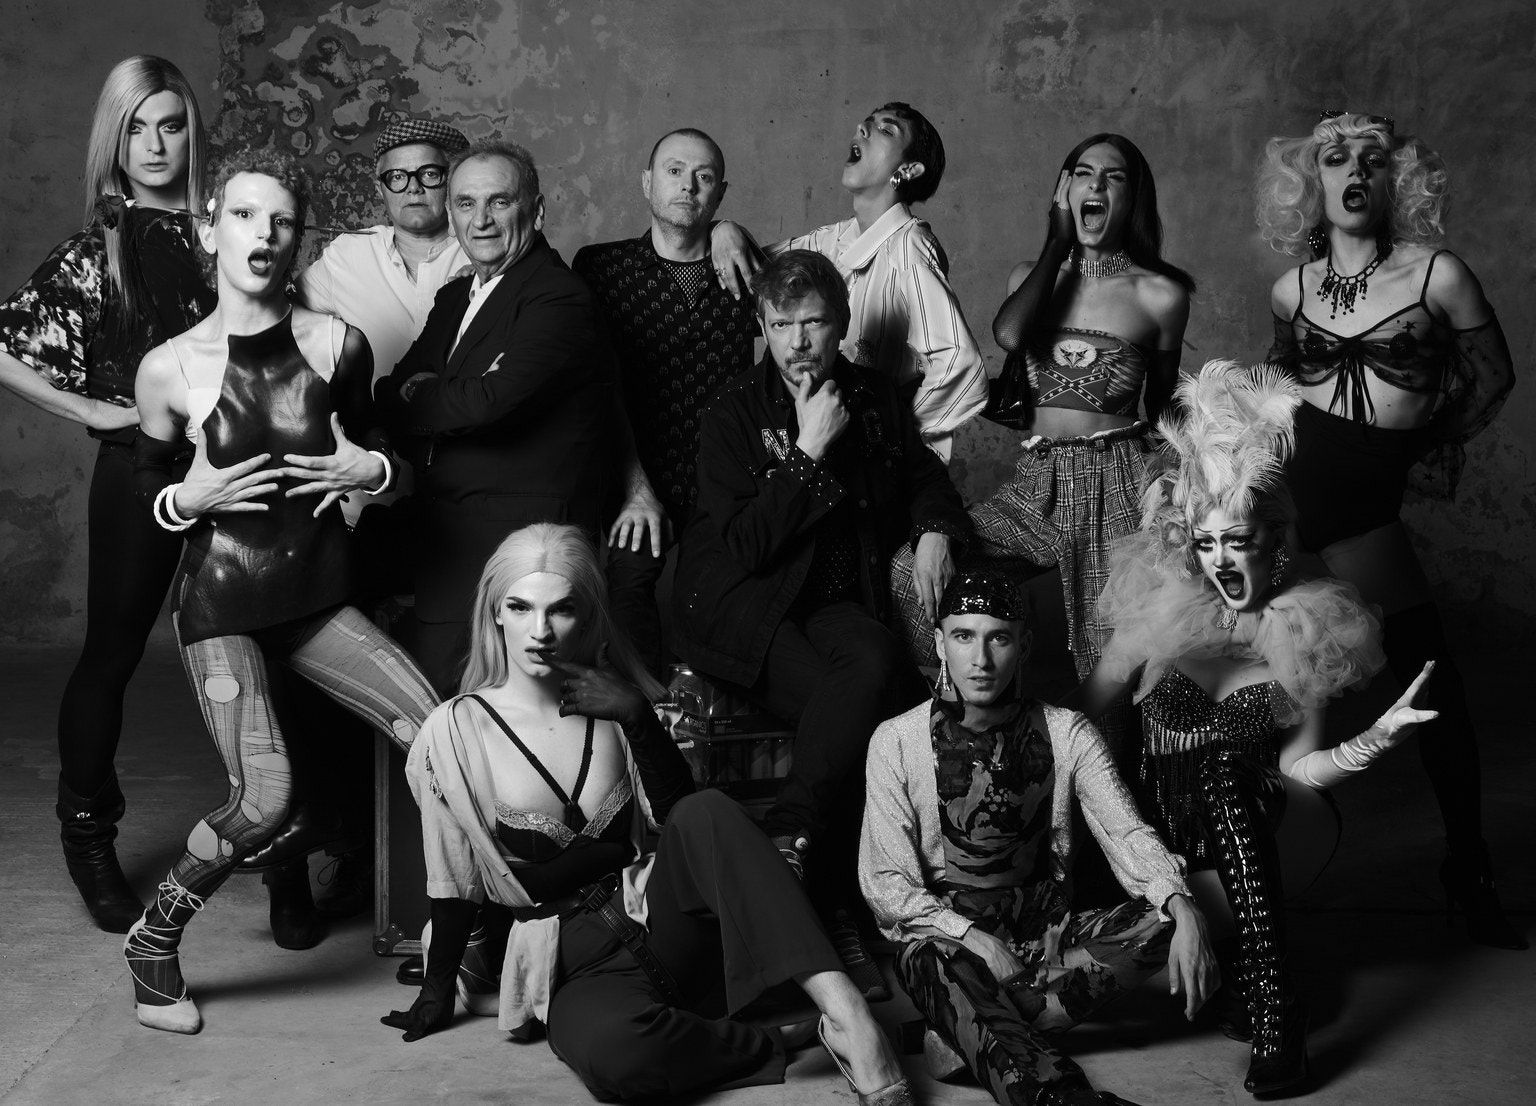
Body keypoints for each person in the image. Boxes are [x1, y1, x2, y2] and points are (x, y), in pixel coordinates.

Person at [385, 522, 914, 1106]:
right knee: (620, 1058)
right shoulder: (454, 732)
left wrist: (638, 717)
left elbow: (682, 822)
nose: (540, 631)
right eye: (520, 607)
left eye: (561, 610)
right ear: (495, 614)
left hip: (665, 926)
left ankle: (850, 1018)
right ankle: (775, 1040)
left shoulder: (618, 705)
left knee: (708, 809)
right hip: (576, 967)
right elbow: (454, 880)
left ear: (587, 617)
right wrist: (437, 990)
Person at [124, 150, 438, 1034]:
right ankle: (154, 940)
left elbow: (386, 459)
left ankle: (466, 926)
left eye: (282, 221)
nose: (263, 235)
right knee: (263, 799)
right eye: (244, 216)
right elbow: (147, 487)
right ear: (210, 230)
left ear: (298, 238)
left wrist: (374, 469)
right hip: (221, 607)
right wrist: (184, 498)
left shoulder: (339, 344)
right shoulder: (169, 367)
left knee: (440, 737)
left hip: (316, 599)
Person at [1077, 360, 1439, 1094]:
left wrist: (1374, 743)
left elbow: (1301, 769)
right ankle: (1241, 965)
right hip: (1162, 844)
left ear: (1274, 540)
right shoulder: (1156, 615)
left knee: (1223, 768)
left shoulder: (1301, 626)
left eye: (1238, 540)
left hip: (1272, 831)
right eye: (1206, 544)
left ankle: (1277, 1006)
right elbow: (1076, 728)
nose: (1221, 560)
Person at [671, 249, 970, 996]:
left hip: (838, 601)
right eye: (781, 325)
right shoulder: (733, 412)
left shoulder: (873, 396)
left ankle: (792, 835)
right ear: (763, 327)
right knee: (864, 723)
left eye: (813, 323)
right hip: (751, 606)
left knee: (878, 669)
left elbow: (924, 477)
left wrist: (934, 527)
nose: (798, 341)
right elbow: (746, 546)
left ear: (840, 324)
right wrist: (807, 448)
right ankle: (837, 911)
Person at [1257, 111, 1522, 949]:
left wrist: (1412, 445)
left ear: (1396, 179)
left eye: (1372, 159)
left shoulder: (1438, 274)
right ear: (1314, 181)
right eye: (1336, 158)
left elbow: (1493, 378)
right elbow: (1277, 393)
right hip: (1286, 496)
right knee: (1232, 670)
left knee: (1432, 683)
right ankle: (1207, 869)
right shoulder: (1292, 290)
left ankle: (1468, 867)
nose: (1355, 171)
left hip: (1360, 506)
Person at [861, 570, 1217, 1106]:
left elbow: (1126, 831)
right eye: (963, 636)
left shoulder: (1069, 732)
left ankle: (966, 1031)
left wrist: (1183, 906)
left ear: (1023, 645)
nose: (981, 659)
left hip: (1048, 942)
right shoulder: (894, 741)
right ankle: (1061, 1097)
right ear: (938, 642)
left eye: (998, 638)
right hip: (953, 948)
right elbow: (887, 884)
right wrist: (976, 940)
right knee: (927, 958)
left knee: (1168, 914)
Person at [0, 56, 215, 933]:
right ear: (114, 140)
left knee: (268, 649)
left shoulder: (226, 229)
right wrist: (91, 406)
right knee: (113, 654)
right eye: (137, 127)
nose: (155, 144)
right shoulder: (102, 246)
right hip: (141, 469)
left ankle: (285, 852)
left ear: (192, 132)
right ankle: (88, 836)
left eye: (171, 124)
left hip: (238, 466)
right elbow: (6, 344)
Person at [891, 134, 1193, 686]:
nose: (1096, 184)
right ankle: (956, 715)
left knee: (1112, 654)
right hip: (1037, 480)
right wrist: (1058, 241)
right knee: (911, 570)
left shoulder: (1161, 295)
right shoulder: (1030, 278)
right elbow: (1009, 336)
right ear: (1064, 191)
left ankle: (1114, 745)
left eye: (1114, 177)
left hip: (1118, 481)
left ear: (1133, 198)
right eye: (1083, 173)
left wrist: (1175, 488)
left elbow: (1165, 410)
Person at [375, 140, 615, 696]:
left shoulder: (558, 297)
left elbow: (489, 403)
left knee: (510, 714)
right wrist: (440, 395)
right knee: (441, 713)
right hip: (446, 543)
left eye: (499, 202)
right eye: (465, 203)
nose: (480, 220)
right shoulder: (456, 298)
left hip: (521, 552)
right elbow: (388, 394)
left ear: (537, 211)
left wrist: (429, 392)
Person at [572, 128, 758, 674]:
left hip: (720, 481)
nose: (688, 186)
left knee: (715, 608)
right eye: (674, 171)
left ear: (720, 193)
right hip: (632, 473)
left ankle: (697, 719)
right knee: (626, 590)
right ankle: (646, 713)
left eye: (704, 176)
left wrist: (731, 231)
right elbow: (591, 388)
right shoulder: (601, 268)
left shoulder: (747, 271)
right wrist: (634, 488)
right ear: (647, 183)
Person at [710, 103, 986, 461]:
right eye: (866, 123)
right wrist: (724, 229)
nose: (862, 128)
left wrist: (897, 435)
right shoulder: (832, 240)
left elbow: (960, 363)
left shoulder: (909, 246)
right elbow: (751, 275)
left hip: (875, 468)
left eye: (886, 129)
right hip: (823, 450)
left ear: (908, 169)